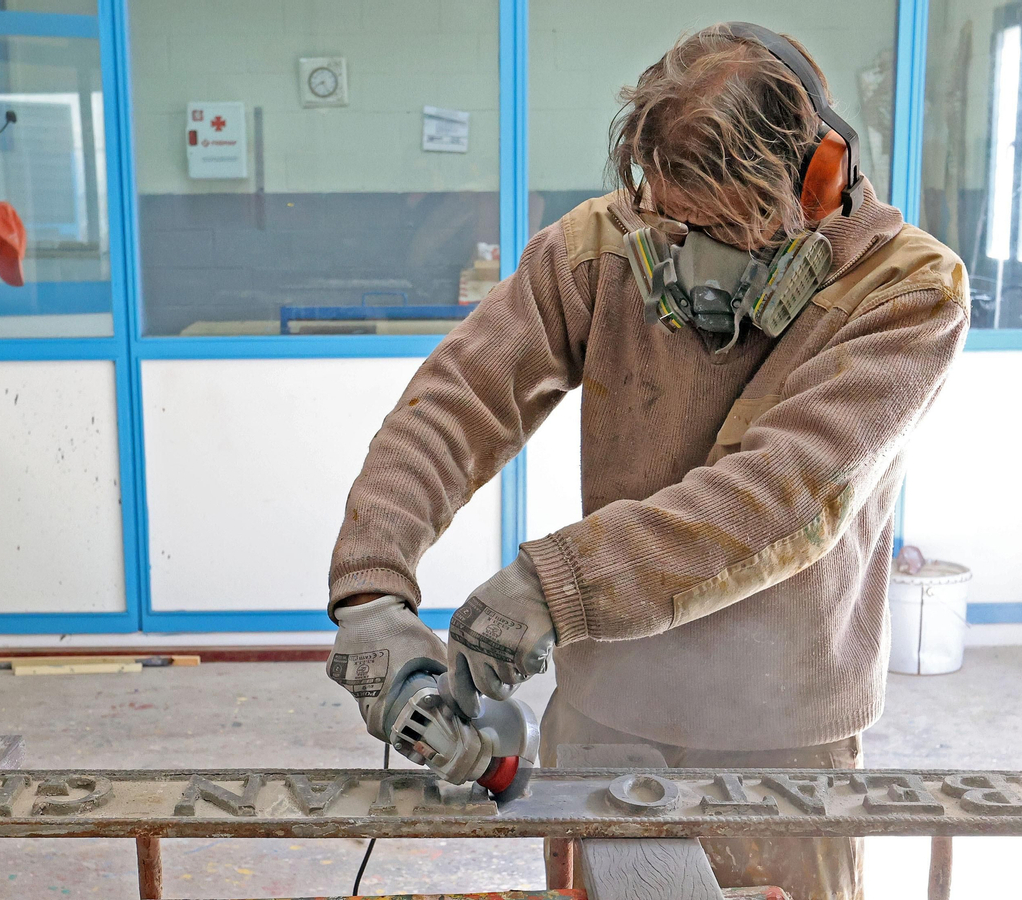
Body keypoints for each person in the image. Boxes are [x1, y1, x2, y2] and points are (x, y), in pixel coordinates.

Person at [324, 22, 968, 900]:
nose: (691, 267)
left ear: (817, 183)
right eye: (672, 224)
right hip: (610, 715)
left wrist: (556, 587)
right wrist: (373, 590)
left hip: (782, 737)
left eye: (727, 231)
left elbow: (781, 494)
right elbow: (456, 404)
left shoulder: (909, 291)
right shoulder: (605, 248)